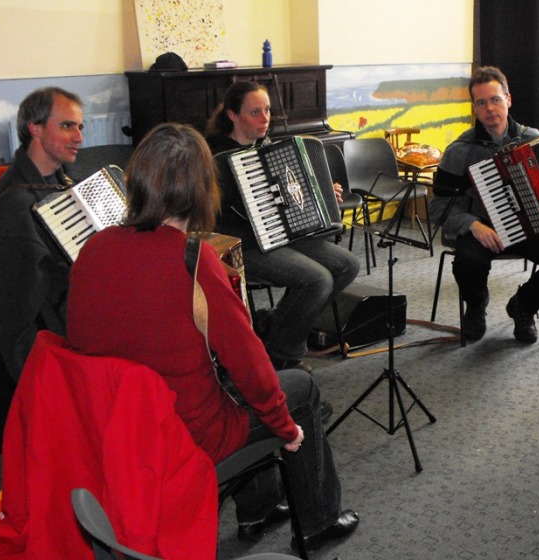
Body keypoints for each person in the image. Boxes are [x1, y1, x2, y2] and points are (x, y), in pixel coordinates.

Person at [66, 123, 359, 550]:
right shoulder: (192, 259)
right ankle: (317, 520)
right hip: (185, 432)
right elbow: (250, 364)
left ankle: (258, 509)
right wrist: (284, 425)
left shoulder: (94, 248)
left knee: (223, 384)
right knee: (299, 387)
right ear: (203, 190)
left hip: (117, 428)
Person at [205, 81, 360, 372]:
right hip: (242, 244)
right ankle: (282, 354)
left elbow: (294, 199)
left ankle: (277, 324)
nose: (265, 119)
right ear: (232, 115)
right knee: (317, 279)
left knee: (346, 264)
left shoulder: (270, 149)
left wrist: (325, 195)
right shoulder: (214, 158)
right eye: (255, 112)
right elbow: (210, 217)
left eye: (267, 111)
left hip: (281, 235)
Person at [428, 66, 539, 343]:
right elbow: (437, 207)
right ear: (474, 108)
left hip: (530, 226)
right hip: (483, 227)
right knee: (467, 261)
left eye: (495, 99)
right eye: (481, 102)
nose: (489, 108)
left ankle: (523, 306)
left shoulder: (532, 138)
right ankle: (476, 306)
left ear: (508, 99)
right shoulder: (459, 151)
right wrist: (472, 224)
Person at [0, 86, 84, 453]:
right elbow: (18, 314)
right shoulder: (15, 203)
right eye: (68, 126)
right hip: (46, 327)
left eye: (80, 126)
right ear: (36, 129)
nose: (79, 137)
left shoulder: (59, 182)